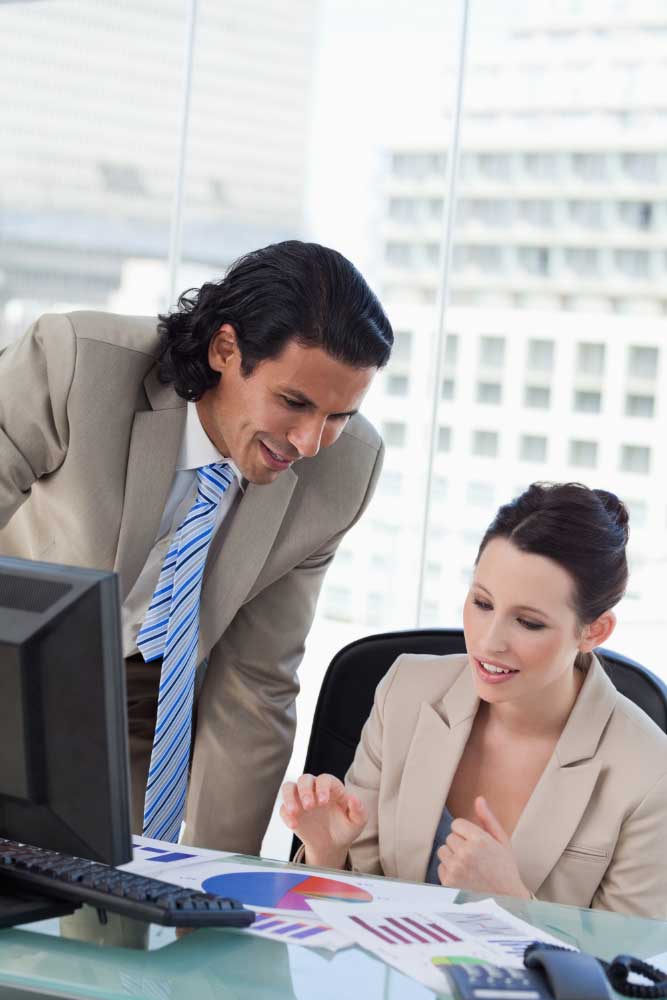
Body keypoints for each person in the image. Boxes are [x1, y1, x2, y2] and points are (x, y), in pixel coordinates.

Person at [0, 240, 393, 854]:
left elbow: (256, 684)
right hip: (12, 661)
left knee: (121, 900)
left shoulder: (343, 473)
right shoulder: (75, 364)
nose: (311, 441)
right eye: (294, 402)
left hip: (138, 703)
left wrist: (210, 882)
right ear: (224, 349)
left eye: (339, 415)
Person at [281, 482, 667, 919]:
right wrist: (327, 854)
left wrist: (511, 903)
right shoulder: (406, 691)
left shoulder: (649, 772)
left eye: (528, 622)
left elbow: (628, 972)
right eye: (482, 602)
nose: (489, 641)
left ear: (593, 632)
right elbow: (352, 908)